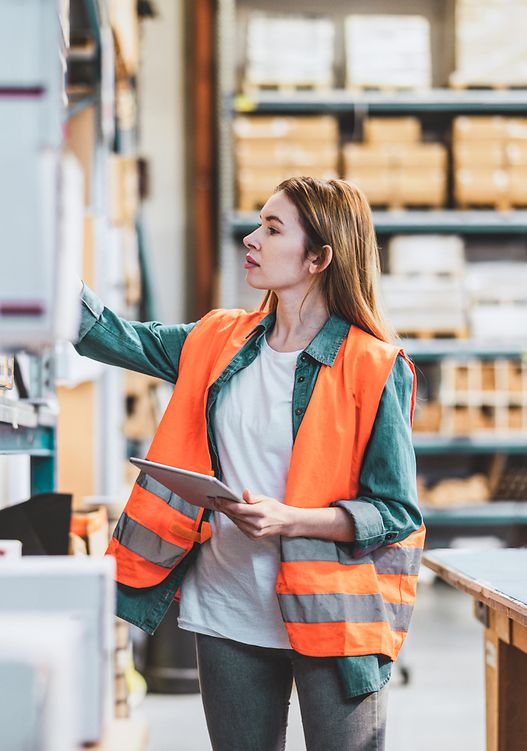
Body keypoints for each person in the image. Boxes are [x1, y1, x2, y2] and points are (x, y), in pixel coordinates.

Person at [75, 176, 425, 750]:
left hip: (334, 618)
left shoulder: (375, 366)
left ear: (318, 257)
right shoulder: (218, 339)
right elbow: (108, 335)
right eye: (258, 224)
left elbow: (394, 512)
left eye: (272, 228)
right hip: (227, 608)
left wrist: (293, 520)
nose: (251, 239)